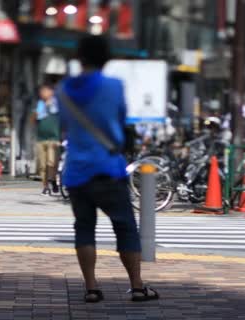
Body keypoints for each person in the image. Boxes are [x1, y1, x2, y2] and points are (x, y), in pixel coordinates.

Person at [57, 36, 159, 303]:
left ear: (79, 57)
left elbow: (64, 125)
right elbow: (120, 120)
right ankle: (137, 286)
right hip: (107, 167)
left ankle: (91, 288)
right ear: (106, 58)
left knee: (84, 228)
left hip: (76, 170)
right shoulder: (114, 86)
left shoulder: (63, 89)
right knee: (124, 227)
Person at [33, 83, 61, 195]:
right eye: (41, 92)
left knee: (52, 162)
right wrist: (36, 113)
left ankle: (53, 180)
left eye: (45, 91)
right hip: (41, 138)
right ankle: (45, 186)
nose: (43, 93)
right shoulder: (39, 104)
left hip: (53, 138)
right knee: (42, 165)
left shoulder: (57, 103)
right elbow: (34, 119)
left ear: (51, 92)